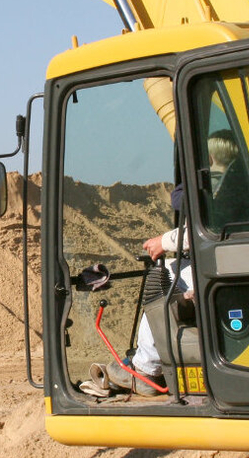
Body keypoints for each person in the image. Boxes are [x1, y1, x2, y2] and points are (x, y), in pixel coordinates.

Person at [102, 132, 239, 396]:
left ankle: (146, 369)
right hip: (231, 261)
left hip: (221, 264)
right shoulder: (238, 185)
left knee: (161, 278)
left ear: (210, 158)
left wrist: (163, 242)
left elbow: (202, 230)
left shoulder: (217, 189)